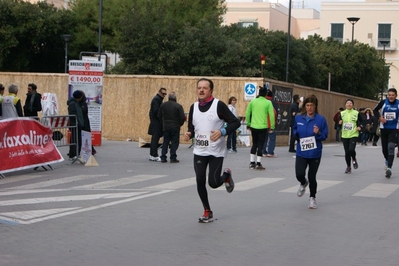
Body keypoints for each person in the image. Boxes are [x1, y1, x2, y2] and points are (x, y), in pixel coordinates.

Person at [183, 78, 240, 223]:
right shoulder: (193, 107)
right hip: (200, 151)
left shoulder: (218, 105)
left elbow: (235, 122)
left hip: (215, 151)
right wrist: (189, 133)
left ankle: (226, 175)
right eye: (199, 88)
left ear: (211, 91)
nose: (201, 90)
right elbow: (192, 127)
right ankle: (207, 210)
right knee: (200, 180)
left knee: (213, 183)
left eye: (205, 88)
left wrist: (222, 131)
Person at [294, 94, 328, 209]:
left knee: (312, 176)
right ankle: (303, 182)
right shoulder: (298, 118)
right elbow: (294, 129)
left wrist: (318, 133)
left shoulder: (321, 119)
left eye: (311, 105)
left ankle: (312, 198)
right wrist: (296, 135)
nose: (309, 108)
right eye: (307, 105)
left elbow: (325, 136)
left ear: (315, 106)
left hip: (315, 153)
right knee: (299, 174)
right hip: (301, 152)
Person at [246, 86, 275, 170]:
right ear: (266, 94)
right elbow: (272, 115)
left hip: (254, 126)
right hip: (263, 126)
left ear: (258, 93)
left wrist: (248, 123)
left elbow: (248, 112)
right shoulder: (268, 103)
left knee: (254, 143)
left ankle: (252, 162)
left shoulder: (253, 101)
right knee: (260, 145)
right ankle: (258, 163)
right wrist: (272, 126)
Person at [373, 88, 399, 178]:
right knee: (384, 149)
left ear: (396, 95)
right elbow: (375, 110)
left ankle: (389, 168)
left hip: (394, 129)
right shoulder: (383, 102)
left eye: (393, 95)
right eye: (389, 95)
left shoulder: (398, 103)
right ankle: (387, 160)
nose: (391, 97)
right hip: (384, 128)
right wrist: (380, 118)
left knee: (391, 147)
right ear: (387, 95)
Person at [158, 91, 185, 163]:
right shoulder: (178, 106)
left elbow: (159, 116)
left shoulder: (163, 105)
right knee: (175, 142)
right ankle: (173, 157)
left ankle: (163, 157)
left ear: (168, 98)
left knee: (165, 142)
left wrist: (163, 123)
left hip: (166, 126)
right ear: (175, 98)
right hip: (175, 126)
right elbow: (182, 117)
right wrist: (179, 124)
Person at [339, 99, 363, 174]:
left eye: (350, 103)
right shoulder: (342, 113)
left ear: (352, 105)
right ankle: (348, 166)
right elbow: (338, 124)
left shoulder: (356, 113)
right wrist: (339, 123)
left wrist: (360, 126)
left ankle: (354, 158)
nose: (349, 104)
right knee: (346, 152)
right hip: (345, 134)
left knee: (351, 150)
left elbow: (362, 121)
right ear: (345, 105)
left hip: (354, 134)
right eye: (347, 103)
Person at [148, 87, 167, 162]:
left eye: (165, 94)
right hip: (156, 122)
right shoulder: (156, 99)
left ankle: (153, 154)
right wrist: (161, 117)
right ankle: (153, 155)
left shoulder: (158, 99)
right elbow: (156, 111)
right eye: (163, 93)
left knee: (155, 139)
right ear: (159, 92)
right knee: (155, 139)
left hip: (156, 121)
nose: (164, 95)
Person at [67, 90, 85, 160]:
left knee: (77, 139)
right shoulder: (73, 104)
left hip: (77, 124)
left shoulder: (76, 103)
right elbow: (72, 114)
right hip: (74, 124)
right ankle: (72, 154)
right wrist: (76, 121)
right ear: (79, 97)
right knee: (74, 139)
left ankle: (76, 153)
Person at [79, 91, 97, 156]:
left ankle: (91, 150)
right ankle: (90, 150)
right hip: (84, 122)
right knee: (85, 137)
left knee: (86, 137)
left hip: (84, 122)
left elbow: (83, 111)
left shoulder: (83, 103)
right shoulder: (82, 102)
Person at [262, 89, 278, 158]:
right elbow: (275, 113)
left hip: (263, 123)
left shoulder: (263, 102)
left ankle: (263, 151)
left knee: (264, 138)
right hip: (270, 123)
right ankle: (270, 152)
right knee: (272, 138)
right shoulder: (272, 102)